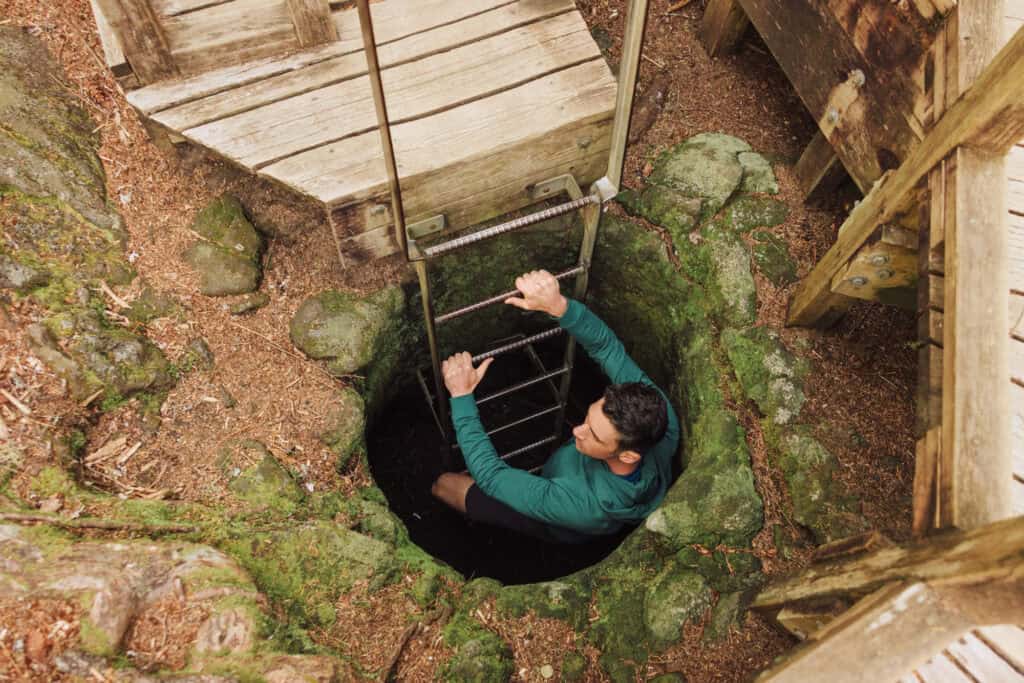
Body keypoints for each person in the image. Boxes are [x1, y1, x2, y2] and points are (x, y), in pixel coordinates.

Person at [431, 270, 680, 543]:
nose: (577, 431)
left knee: (444, 485)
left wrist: (462, 396)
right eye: (588, 417)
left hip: (555, 518)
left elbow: (491, 476)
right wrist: (559, 306)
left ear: (629, 455)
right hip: (568, 479)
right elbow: (607, 348)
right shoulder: (657, 414)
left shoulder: (582, 506)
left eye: (594, 434)